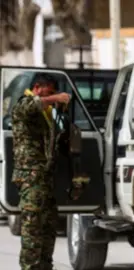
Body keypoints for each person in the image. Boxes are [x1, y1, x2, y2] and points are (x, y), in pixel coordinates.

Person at [11, 74, 71, 270]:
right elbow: (28, 107)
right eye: (50, 92)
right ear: (38, 87)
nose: (53, 97)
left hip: (44, 178)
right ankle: (30, 266)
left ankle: (45, 265)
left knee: (47, 227)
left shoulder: (46, 113)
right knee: (33, 227)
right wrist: (55, 99)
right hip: (31, 177)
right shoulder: (23, 103)